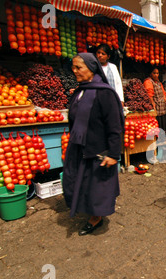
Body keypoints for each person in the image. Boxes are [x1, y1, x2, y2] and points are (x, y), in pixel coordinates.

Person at [63, 53, 125, 236]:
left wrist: (114, 154)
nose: (74, 71)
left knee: (96, 187)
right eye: (73, 67)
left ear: (91, 68)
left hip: (98, 149)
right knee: (81, 181)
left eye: (78, 67)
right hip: (80, 147)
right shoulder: (80, 91)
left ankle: (95, 218)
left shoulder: (104, 93)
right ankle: (84, 208)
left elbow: (115, 126)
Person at [143, 68, 166, 136]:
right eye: (154, 73)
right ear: (150, 74)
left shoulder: (159, 82)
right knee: (157, 125)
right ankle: (158, 141)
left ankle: (163, 139)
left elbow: (163, 93)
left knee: (163, 124)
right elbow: (149, 95)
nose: (156, 75)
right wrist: (153, 105)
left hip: (162, 107)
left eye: (157, 73)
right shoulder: (148, 81)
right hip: (156, 106)